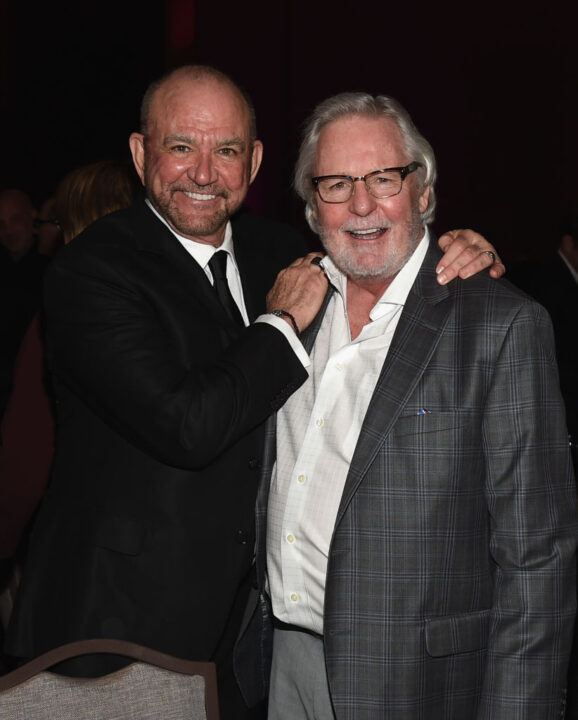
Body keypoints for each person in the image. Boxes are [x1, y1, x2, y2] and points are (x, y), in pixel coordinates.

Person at [5, 66, 502, 719]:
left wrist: (453, 255)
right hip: (115, 627)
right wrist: (279, 322)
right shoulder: (91, 271)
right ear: (140, 153)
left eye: (228, 150)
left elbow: (378, 275)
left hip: (243, 636)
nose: (204, 172)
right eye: (182, 147)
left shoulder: (280, 250)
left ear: (256, 160)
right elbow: (189, 426)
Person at [237, 92, 578, 719]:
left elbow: (537, 564)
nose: (362, 205)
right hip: (282, 666)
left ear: (422, 191)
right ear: (313, 206)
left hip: (420, 685)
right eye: (337, 184)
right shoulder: (291, 306)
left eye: (384, 179)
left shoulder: (499, 326)